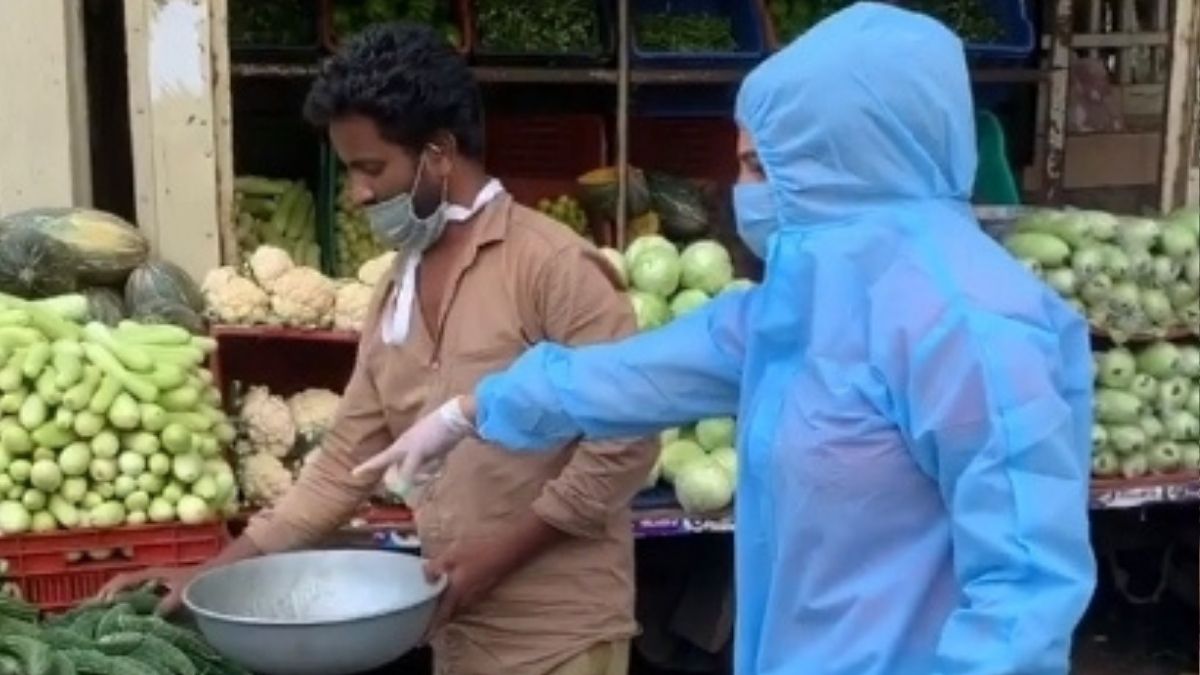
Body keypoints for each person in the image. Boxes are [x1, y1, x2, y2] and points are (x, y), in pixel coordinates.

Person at [353, 4, 1099, 674]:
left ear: (844, 158)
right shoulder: (813, 296)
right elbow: (642, 373)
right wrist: (472, 409)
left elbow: (1024, 592)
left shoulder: (975, 326)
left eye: (755, 166)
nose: (740, 190)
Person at [100, 23, 654, 675]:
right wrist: (208, 575)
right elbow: (343, 465)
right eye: (350, 170)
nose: (359, 192)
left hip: (559, 638)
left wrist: (495, 558)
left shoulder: (552, 266)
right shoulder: (396, 286)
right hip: (456, 634)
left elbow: (628, 441)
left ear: (439, 153)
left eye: (372, 168)